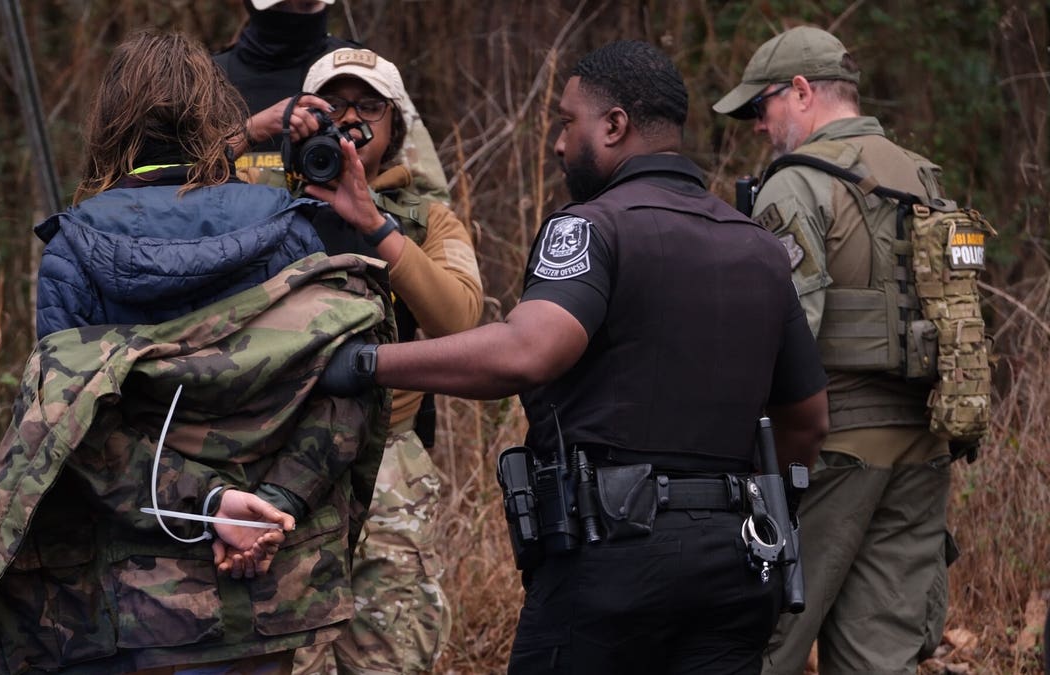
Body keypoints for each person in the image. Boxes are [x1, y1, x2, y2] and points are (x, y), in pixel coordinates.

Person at [316, 40, 830, 674]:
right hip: (739, 561)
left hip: (611, 562)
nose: (559, 145)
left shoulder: (591, 226)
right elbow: (808, 421)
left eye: (566, 123)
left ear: (613, 126)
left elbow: (526, 352)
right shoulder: (760, 249)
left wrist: (365, 364)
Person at [0, 30, 395, 674]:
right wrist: (271, 511)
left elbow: (74, 428)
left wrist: (207, 508)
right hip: (264, 591)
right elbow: (343, 390)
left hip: (132, 601)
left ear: (108, 125)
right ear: (217, 119)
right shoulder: (288, 231)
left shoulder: (75, 253)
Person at [713, 25, 957, 674]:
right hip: (924, 448)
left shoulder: (795, 184)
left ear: (800, 92)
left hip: (834, 450)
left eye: (760, 108)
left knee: (766, 642)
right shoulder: (925, 178)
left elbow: (783, 335)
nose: (759, 128)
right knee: (882, 654)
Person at [284, 48, 483, 675]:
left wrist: (374, 224)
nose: (350, 122)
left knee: (391, 650)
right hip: (278, 450)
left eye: (369, 107)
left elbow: (460, 319)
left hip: (388, 451)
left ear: (395, 127)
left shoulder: (426, 220)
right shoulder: (260, 208)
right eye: (331, 106)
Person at [213, 0, 450, 201]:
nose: (295, 18)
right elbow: (182, 179)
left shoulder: (361, 72)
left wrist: (382, 227)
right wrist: (252, 131)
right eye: (283, 6)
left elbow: (430, 195)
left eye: (307, 5)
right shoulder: (208, 81)